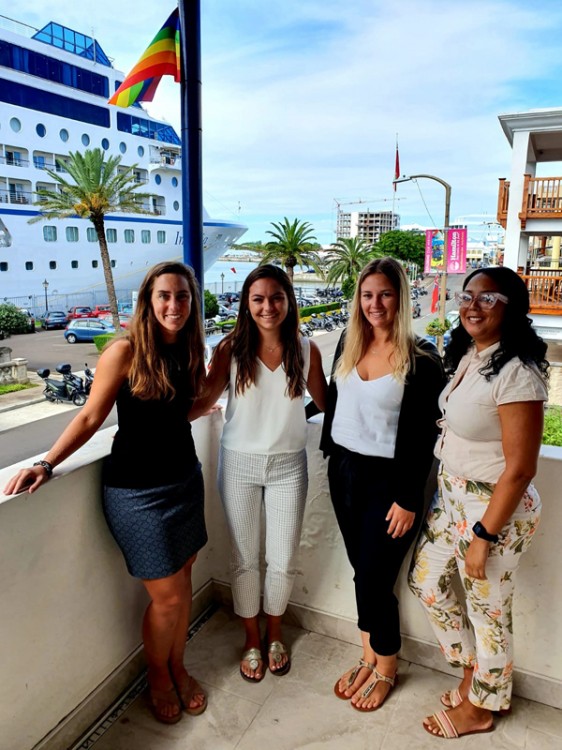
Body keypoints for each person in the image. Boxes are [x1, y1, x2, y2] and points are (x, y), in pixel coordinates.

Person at [4, 262, 209, 726]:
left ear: (192, 303)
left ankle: (179, 665)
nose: (174, 305)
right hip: (136, 492)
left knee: (185, 577)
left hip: (184, 478)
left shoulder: (189, 349)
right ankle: (159, 674)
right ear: (148, 301)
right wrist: (46, 463)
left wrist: (206, 403)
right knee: (168, 597)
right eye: (164, 295)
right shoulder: (125, 351)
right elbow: (90, 417)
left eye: (182, 296)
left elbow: (177, 412)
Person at [408, 267, 549, 739]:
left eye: (488, 298)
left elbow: (521, 468)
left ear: (512, 308)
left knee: (487, 612)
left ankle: (483, 707)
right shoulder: (473, 354)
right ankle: (471, 673)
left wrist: (484, 535)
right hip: (451, 497)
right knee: (426, 581)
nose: (472, 305)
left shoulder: (518, 374)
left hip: (492, 509)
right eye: (468, 295)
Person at [189, 264, 327, 682]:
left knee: (282, 559)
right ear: (246, 304)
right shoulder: (230, 349)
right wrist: (156, 422)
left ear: (289, 301)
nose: (268, 306)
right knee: (244, 559)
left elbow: (326, 402)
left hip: (289, 466)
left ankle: (274, 633)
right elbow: (205, 399)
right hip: (239, 465)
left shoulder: (306, 349)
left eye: (276, 297)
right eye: (259, 299)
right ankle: (251, 638)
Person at [320, 257, 446, 711]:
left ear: (400, 299)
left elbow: (426, 435)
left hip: (389, 483)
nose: (375, 304)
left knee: (376, 578)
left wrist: (409, 497)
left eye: (385, 294)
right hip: (344, 471)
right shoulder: (348, 342)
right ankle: (368, 655)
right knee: (362, 571)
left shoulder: (422, 359)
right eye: (367, 294)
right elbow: (338, 400)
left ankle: (387, 666)